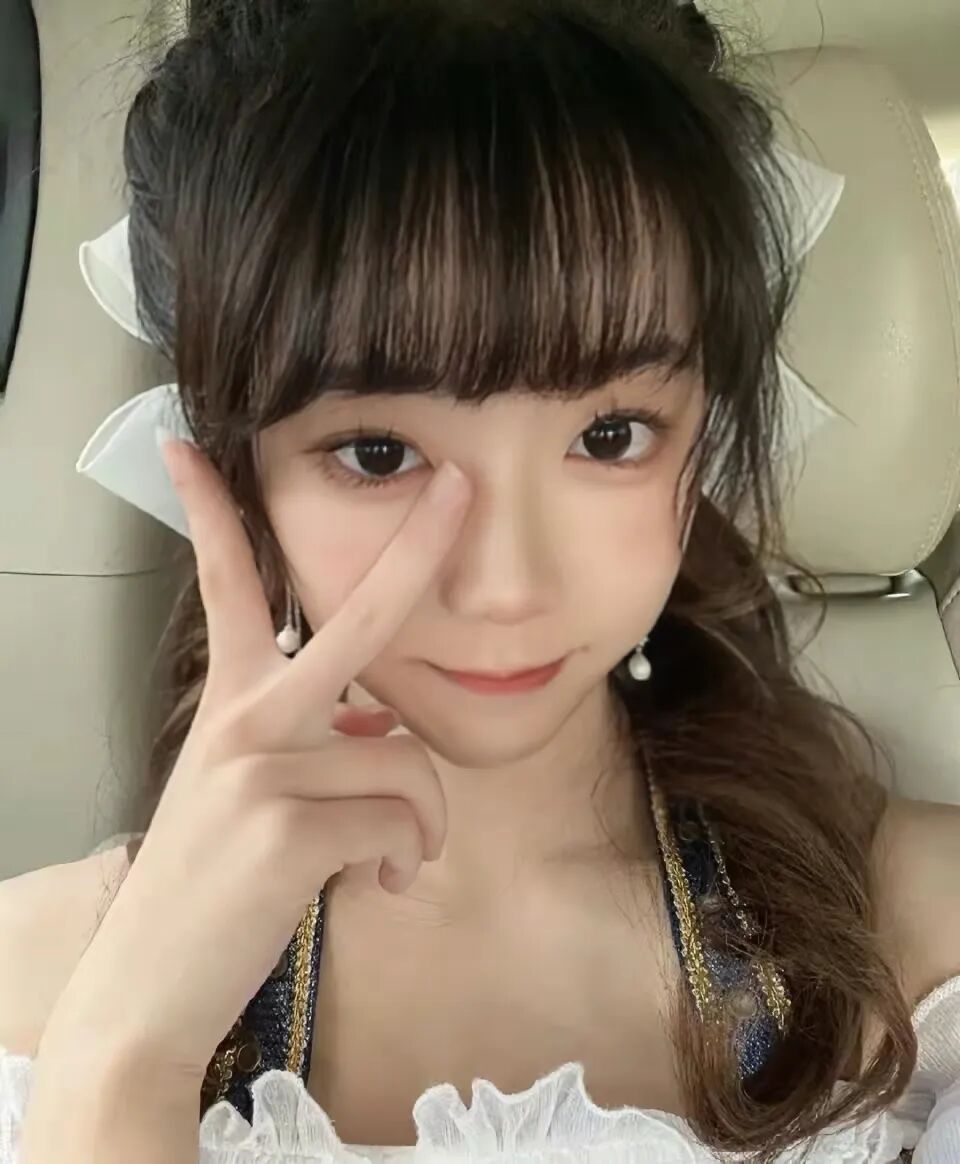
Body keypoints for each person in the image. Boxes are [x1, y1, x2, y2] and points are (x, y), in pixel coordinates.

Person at [3, 0, 959, 1160]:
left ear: (704, 433)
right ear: (231, 466)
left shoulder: (920, 938)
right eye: (378, 453)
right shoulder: (33, 987)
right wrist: (123, 1059)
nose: (506, 588)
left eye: (609, 436)